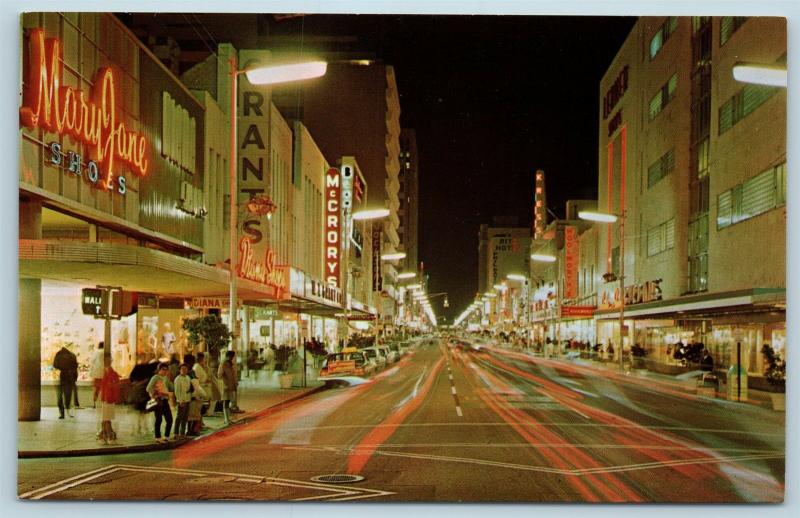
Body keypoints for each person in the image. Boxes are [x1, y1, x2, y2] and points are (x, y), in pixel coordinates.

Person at [128, 355, 157, 435]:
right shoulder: (150, 369)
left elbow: (131, 378)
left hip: (139, 393)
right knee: (145, 411)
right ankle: (144, 427)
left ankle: (139, 427)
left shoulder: (138, 367)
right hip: (145, 393)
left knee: (140, 411)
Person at [146, 363, 174, 443]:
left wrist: (170, 381)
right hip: (159, 401)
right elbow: (148, 388)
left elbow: (172, 388)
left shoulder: (166, 378)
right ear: (159, 370)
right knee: (159, 419)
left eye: (166, 369)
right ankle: (158, 437)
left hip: (165, 400)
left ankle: (167, 436)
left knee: (169, 419)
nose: (165, 371)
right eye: (163, 369)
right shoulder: (155, 377)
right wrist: (155, 395)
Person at [97, 357, 120, 445]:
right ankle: (107, 436)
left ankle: (104, 436)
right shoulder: (107, 372)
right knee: (106, 418)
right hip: (107, 398)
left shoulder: (108, 372)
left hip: (107, 398)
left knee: (106, 418)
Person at [52, 345, 78, 419]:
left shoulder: (59, 354)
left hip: (62, 375)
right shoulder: (72, 355)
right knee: (68, 394)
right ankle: (68, 409)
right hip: (70, 377)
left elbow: (55, 365)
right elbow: (75, 366)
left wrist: (61, 368)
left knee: (60, 396)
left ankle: (62, 413)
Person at [218, 350, 239, 424]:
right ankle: (226, 419)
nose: (232, 358)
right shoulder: (223, 363)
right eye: (231, 356)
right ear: (228, 356)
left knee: (228, 400)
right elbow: (220, 375)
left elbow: (232, 374)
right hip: (226, 385)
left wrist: (235, 382)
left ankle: (228, 419)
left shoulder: (230, 364)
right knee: (226, 401)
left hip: (230, 385)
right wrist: (225, 383)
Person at [173, 363, 192, 439]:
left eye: (185, 369)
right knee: (179, 417)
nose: (184, 370)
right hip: (181, 400)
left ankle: (182, 433)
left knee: (185, 417)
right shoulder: (177, 379)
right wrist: (180, 400)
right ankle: (176, 433)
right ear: (180, 370)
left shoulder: (188, 377)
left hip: (188, 399)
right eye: (182, 369)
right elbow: (177, 391)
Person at [90, 342, 105, 408]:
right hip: (104, 373)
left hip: (97, 373)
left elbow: (92, 361)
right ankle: (103, 402)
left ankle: (95, 403)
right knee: (104, 389)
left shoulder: (96, 352)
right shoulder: (106, 352)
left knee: (96, 389)